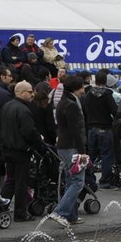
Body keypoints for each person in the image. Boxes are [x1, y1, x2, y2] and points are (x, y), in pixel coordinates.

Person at [49, 73, 88, 227]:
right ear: (76, 88)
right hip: (72, 146)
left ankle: (71, 214)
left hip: (64, 146)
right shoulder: (71, 104)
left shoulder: (62, 102)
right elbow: (75, 130)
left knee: (71, 180)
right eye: (82, 87)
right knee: (78, 181)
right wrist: (82, 150)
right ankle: (61, 212)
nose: (84, 90)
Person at [0, 81, 39, 221]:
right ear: (21, 93)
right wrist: (37, 143)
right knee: (20, 182)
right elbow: (28, 131)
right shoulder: (23, 109)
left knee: (11, 181)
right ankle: (20, 213)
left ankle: (0, 207)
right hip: (21, 150)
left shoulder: (6, 106)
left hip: (8, 149)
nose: (32, 94)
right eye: (29, 91)